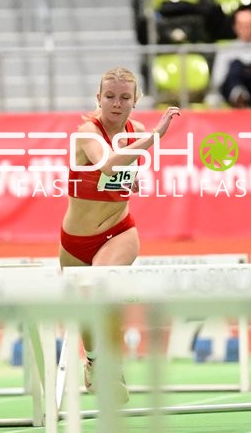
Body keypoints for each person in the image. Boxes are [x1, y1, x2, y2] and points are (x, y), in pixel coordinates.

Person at [60, 67, 180, 403]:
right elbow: (109, 165)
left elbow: (123, 173)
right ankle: (95, 362)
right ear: (98, 98)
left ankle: (112, 362)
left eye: (125, 97)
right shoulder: (87, 132)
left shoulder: (135, 131)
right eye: (110, 97)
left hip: (119, 230)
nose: (116, 103)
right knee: (85, 308)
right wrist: (156, 136)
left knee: (102, 287)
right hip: (75, 240)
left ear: (135, 100)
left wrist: (133, 179)